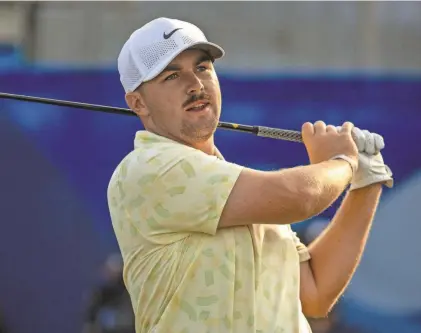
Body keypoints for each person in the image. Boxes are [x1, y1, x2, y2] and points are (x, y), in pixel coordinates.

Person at [107, 17, 393, 333]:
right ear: (138, 103)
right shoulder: (148, 167)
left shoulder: (239, 186)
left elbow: (314, 293)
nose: (195, 85)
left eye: (202, 68)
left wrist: (366, 183)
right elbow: (301, 196)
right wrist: (342, 161)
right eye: (172, 75)